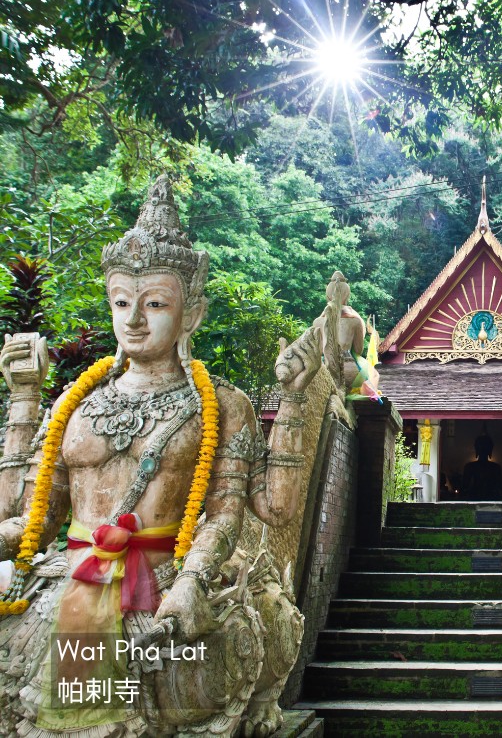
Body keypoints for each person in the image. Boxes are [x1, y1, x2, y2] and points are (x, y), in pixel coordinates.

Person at [0, 176, 319, 736]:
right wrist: (25, 399)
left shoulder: (221, 405)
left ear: (190, 313)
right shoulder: (75, 404)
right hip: (71, 581)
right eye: (122, 302)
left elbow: (243, 512)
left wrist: (192, 580)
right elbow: (28, 519)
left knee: (205, 662)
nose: (134, 319)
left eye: (154, 304)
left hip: (166, 580)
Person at [462, 432, 502, 499]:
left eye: (485, 448)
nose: (483, 450)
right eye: (481, 447)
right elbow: (465, 486)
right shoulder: (470, 467)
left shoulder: (495, 468)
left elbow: (499, 487)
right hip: (475, 498)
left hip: (490, 498)